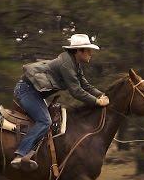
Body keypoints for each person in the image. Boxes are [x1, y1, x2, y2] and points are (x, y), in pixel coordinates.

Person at [11, 34, 110, 171]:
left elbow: (85, 85)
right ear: (78, 51)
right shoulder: (67, 64)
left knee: (48, 122)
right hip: (27, 91)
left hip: (34, 94)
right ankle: (20, 155)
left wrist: (102, 95)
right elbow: (76, 91)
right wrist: (97, 102)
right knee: (45, 121)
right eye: (88, 50)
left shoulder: (75, 64)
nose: (91, 54)